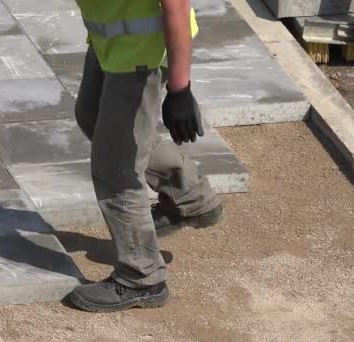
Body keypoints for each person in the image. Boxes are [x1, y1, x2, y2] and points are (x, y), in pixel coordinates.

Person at [68, 0, 224, 313]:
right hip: (112, 42)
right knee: (92, 116)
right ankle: (190, 194)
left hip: (141, 57)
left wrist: (180, 89)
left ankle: (141, 276)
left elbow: (176, 5)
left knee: (117, 165)